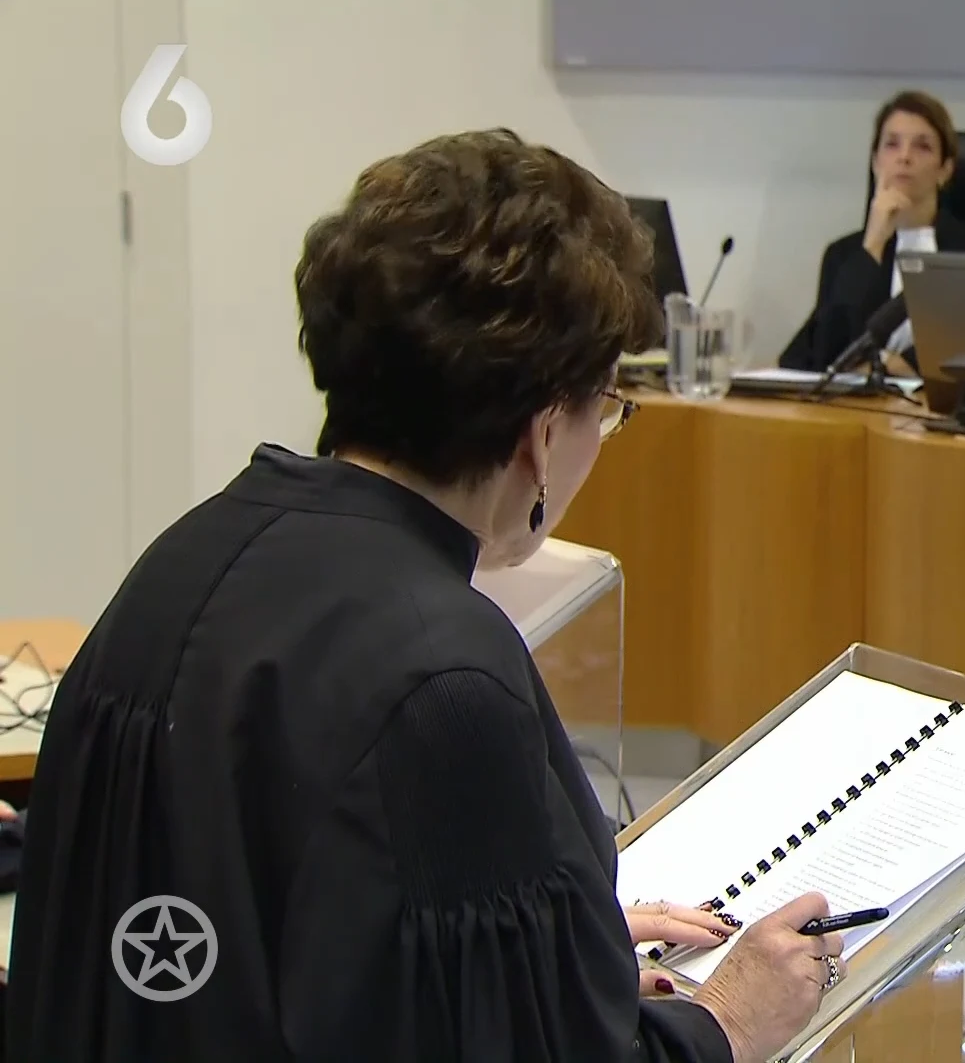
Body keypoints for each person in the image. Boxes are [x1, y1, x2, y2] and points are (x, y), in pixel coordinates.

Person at [7, 129, 842, 1063]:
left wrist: (556, 955)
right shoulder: (444, 673)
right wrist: (726, 1022)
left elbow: (273, 943)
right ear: (540, 432)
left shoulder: (184, 555)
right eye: (606, 408)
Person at [778, 89, 965, 374]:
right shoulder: (843, 255)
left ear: (945, 170)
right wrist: (872, 244)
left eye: (922, 147)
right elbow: (826, 352)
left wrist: (896, 364)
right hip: (859, 401)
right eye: (892, 144)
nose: (904, 157)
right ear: (876, 162)